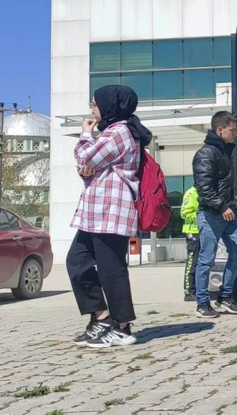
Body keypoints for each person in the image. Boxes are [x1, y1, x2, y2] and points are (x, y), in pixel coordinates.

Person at [68, 85, 152, 348]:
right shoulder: (114, 132)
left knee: (111, 270)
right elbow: (91, 167)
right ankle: (101, 317)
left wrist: (85, 133)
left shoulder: (120, 131)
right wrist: (87, 171)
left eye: (95, 104)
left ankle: (122, 326)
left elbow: (85, 155)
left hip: (111, 210)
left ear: (109, 105)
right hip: (96, 212)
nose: (92, 109)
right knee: (76, 261)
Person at [193, 111, 237, 317]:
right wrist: (222, 206)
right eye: (232, 130)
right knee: (206, 259)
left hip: (228, 212)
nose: (235, 134)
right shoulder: (206, 153)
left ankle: (226, 297)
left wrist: (231, 198)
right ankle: (202, 303)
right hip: (212, 213)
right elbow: (204, 187)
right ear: (219, 129)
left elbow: (221, 181)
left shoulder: (224, 151)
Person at [180, 186, 200, 302]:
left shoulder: (203, 191)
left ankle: (198, 289)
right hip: (193, 232)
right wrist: (200, 216)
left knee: (201, 263)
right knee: (192, 262)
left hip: (202, 232)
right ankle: (188, 291)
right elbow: (184, 212)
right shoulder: (191, 193)